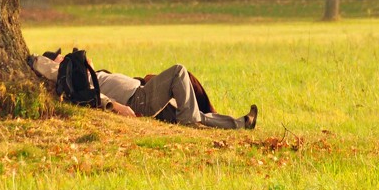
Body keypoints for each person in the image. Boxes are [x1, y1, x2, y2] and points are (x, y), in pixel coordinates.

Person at [29, 51, 258, 130]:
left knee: (197, 117)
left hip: (142, 94)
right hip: (138, 101)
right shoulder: (72, 77)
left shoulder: (91, 74)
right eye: (60, 57)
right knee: (179, 71)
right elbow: (89, 96)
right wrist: (115, 106)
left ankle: (241, 124)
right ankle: (190, 119)